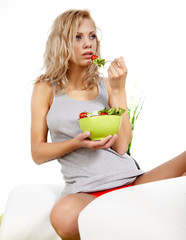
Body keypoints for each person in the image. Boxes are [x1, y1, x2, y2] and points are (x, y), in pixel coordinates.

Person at [31, 9, 186, 240]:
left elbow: (122, 147)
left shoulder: (107, 84)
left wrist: (118, 89)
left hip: (132, 182)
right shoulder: (45, 88)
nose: (88, 44)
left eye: (92, 36)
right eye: (78, 37)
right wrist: (76, 143)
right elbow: (37, 153)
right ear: (62, 43)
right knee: (63, 215)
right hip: (86, 192)